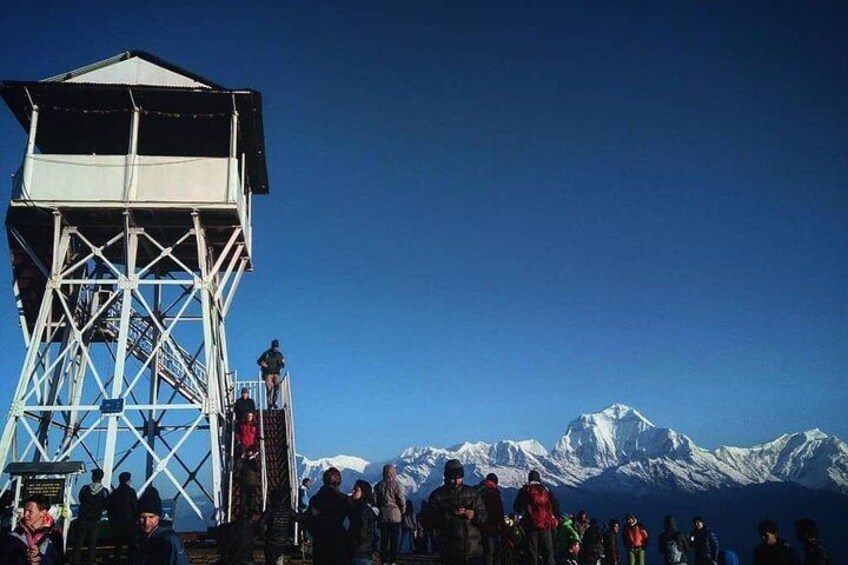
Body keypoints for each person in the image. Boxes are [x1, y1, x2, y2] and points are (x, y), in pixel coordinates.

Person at [426, 458, 488, 565]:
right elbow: (429, 522)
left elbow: (484, 516)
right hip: (450, 552)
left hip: (474, 551)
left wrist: (474, 515)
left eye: (459, 478)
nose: (456, 482)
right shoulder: (437, 496)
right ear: (446, 477)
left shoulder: (473, 494)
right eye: (452, 478)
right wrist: (450, 514)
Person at [304, 466, 352, 565]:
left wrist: (316, 534)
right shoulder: (343, 500)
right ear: (339, 481)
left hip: (320, 543)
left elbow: (308, 520)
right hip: (339, 542)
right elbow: (355, 520)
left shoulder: (315, 499)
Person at [0, 494, 63, 564]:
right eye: (25, 511)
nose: (25, 515)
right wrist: (26, 559)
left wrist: (39, 558)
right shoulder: (13, 537)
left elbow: (58, 561)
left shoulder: (55, 536)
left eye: (30, 511)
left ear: (42, 513)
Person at [513, 469, 560, 565]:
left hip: (530, 526)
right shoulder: (545, 489)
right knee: (548, 552)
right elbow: (556, 506)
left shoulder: (525, 490)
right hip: (545, 525)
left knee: (531, 553)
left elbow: (517, 507)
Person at [134, 486, 190, 564]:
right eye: (143, 517)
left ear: (158, 517)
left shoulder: (170, 540)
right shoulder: (140, 539)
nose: (147, 522)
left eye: (151, 517)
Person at [71, 468, 109, 565]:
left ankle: (75, 561)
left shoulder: (84, 488)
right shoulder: (104, 491)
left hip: (83, 519)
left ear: (93, 477)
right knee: (92, 543)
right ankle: (90, 561)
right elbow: (106, 505)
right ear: (101, 478)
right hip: (95, 520)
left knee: (78, 543)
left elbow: (81, 500)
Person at [375, 463, 406, 565]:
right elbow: (401, 500)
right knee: (394, 540)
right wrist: (402, 510)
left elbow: (375, 500)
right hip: (395, 515)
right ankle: (393, 560)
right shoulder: (397, 485)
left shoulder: (378, 486)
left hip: (383, 515)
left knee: (384, 540)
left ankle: (383, 560)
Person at [108, 471, 139, 563]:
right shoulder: (131, 492)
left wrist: (111, 520)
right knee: (131, 545)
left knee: (118, 546)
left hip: (117, 523)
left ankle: (117, 561)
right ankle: (131, 561)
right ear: (128, 481)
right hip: (129, 522)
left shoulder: (114, 493)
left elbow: (110, 508)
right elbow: (135, 506)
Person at [476, 473, 506, 565]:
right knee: (492, 552)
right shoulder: (494, 492)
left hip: (477, 526)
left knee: (483, 552)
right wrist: (502, 528)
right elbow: (499, 513)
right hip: (491, 527)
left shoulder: (477, 490)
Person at [348, 479, 379, 565]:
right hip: (366, 552)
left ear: (363, 492)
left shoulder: (362, 510)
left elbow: (361, 532)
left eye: (356, 490)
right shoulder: (369, 509)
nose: (353, 491)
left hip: (359, 551)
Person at [257, 339, 285, 409]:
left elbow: (283, 365)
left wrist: (282, 363)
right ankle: (269, 403)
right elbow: (258, 361)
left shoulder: (279, 354)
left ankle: (274, 401)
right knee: (269, 388)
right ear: (272, 346)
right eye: (275, 347)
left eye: (277, 347)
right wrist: (262, 364)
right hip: (268, 373)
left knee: (278, 386)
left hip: (276, 373)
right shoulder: (266, 354)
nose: (276, 348)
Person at [239, 446, 261, 516]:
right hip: (245, 484)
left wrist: (252, 458)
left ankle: (250, 514)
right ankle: (244, 514)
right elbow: (238, 467)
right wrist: (241, 458)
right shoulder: (244, 461)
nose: (249, 453)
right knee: (244, 501)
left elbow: (256, 468)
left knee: (251, 501)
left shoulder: (253, 462)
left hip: (250, 484)